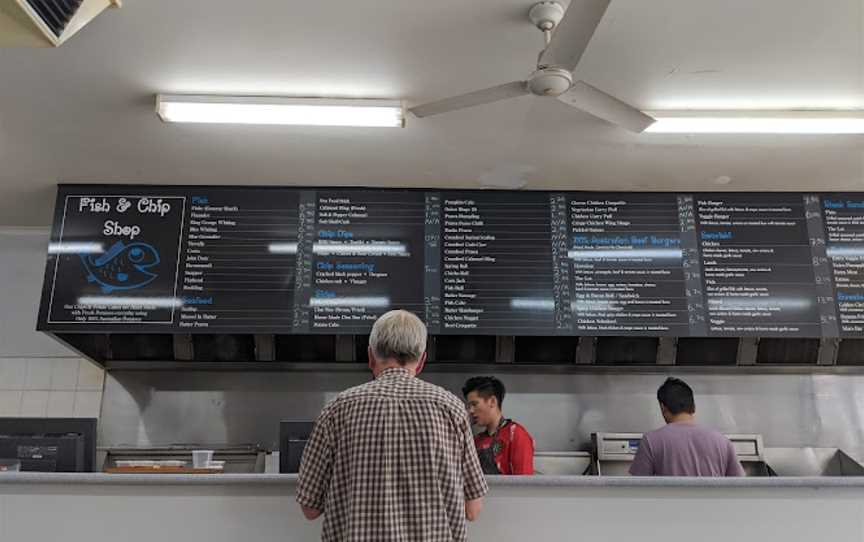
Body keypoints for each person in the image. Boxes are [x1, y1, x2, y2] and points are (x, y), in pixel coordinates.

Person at [297, 309, 488, 542]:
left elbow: (310, 509)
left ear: (370, 356)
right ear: (421, 361)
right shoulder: (452, 409)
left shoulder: (337, 409)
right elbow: (473, 510)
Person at [629, 377, 745, 477]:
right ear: (693, 406)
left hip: (668, 503)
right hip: (712, 503)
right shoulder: (722, 441)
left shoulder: (651, 441)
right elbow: (740, 486)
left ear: (663, 407)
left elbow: (635, 488)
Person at [462, 376, 535, 475]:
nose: (470, 411)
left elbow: (524, 485)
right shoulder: (476, 440)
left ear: (492, 401)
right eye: (469, 406)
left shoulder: (516, 435)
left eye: (474, 404)